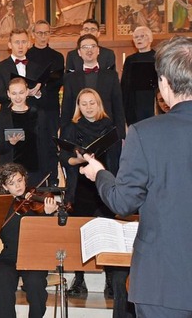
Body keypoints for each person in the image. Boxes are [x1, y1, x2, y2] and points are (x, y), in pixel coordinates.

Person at [80, 36, 192, 317]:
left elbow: (124, 202)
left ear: (165, 83)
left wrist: (99, 174)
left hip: (164, 283)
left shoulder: (146, 133)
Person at [59, 88, 121, 300]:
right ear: (78, 106)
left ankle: (110, 279)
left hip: (104, 185)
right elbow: (65, 159)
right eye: (83, 103)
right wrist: (81, 159)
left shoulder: (109, 126)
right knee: (80, 234)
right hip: (80, 187)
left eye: (91, 103)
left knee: (107, 234)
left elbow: (116, 159)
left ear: (98, 104)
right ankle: (79, 280)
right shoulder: (71, 128)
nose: (88, 107)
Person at [0, 163, 58, 318]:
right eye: (12, 183)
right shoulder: (1, 206)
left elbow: (49, 236)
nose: (18, 186)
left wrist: (48, 215)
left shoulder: (37, 203)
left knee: (35, 284)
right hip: (9, 256)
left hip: (34, 257)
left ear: (25, 179)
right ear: (5, 187)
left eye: (20, 180)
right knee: (2, 284)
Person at [61, 34, 126, 141]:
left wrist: (121, 135)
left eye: (92, 46)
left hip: (107, 131)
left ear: (98, 50)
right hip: (79, 133)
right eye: (85, 47)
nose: (89, 50)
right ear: (79, 52)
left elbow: (118, 107)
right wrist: (64, 138)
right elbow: (66, 109)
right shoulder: (70, 78)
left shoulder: (111, 76)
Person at [27, 20, 64, 185]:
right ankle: (33, 182)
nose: (43, 36)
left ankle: (53, 180)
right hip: (30, 107)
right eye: (39, 33)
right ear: (33, 34)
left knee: (50, 145)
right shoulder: (26, 56)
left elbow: (58, 81)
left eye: (46, 32)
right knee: (32, 145)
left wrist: (42, 88)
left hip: (50, 107)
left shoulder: (57, 57)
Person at [0, 78, 43, 186]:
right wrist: (10, 143)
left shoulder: (38, 114)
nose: (18, 97)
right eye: (14, 93)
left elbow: (43, 144)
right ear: (8, 94)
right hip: (11, 171)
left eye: (21, 93)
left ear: (27, 92)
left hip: (34, 169)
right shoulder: (2, 116)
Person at [120, 26, 156, 125]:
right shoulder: (130, 60)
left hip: (152, 101)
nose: (138, 39)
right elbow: (124, 85)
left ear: (150, 39)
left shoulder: (158, 57)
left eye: (142, 36)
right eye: (136, 37)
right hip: (134, 102)